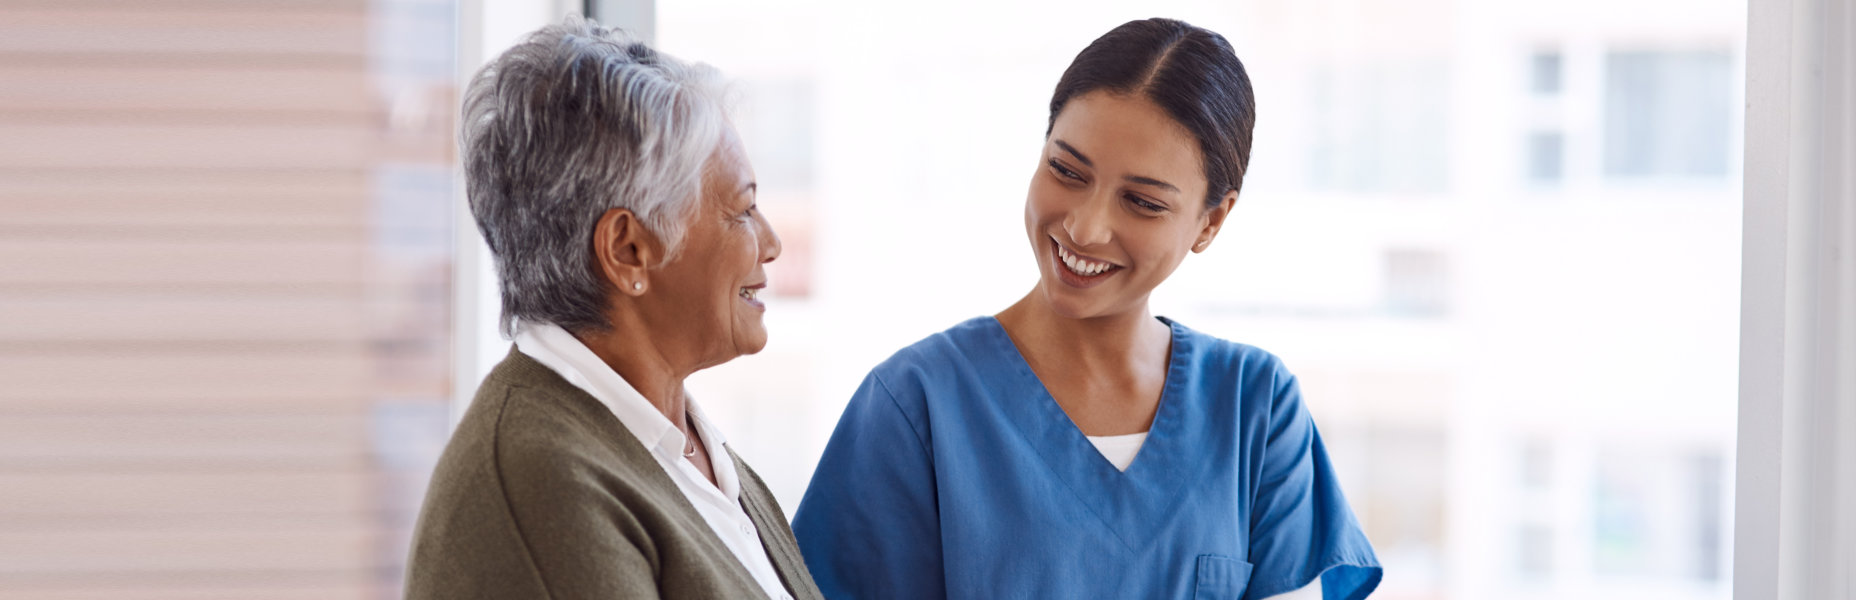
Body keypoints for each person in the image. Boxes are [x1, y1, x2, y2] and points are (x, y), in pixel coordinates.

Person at [791, 18, 1381, 600]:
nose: (1084, 226)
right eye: (1066, 171)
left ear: (1211, 221)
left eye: (1142, 202)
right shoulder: (916, 404)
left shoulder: (1254, 405)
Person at [404, 19, 822, 600]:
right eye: (742, 211)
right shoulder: (541, 484)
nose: (772, 243)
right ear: (629, 249)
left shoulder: (684, 447)